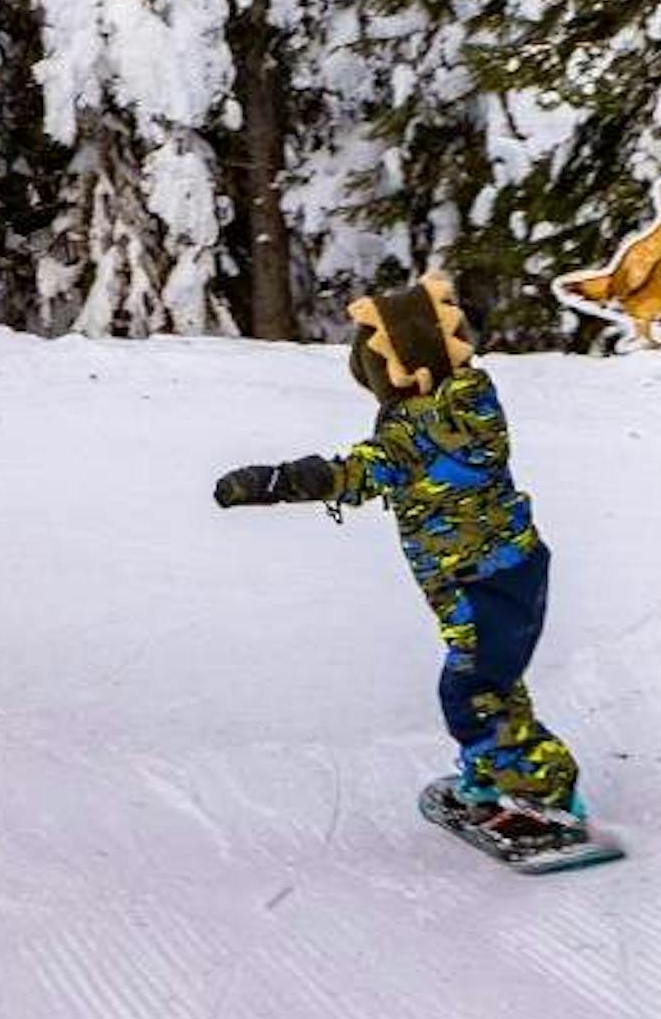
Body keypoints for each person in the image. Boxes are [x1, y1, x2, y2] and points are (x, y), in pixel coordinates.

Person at [211, 273, 587, 842]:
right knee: (492, 686)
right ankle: (494, 776)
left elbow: (355, 472)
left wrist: (276, 482)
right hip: (506, 573)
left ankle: (546, 797)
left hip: (479, 584)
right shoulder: (464, 409)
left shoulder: (419, 430)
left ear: (402, 366)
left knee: (472, 694)